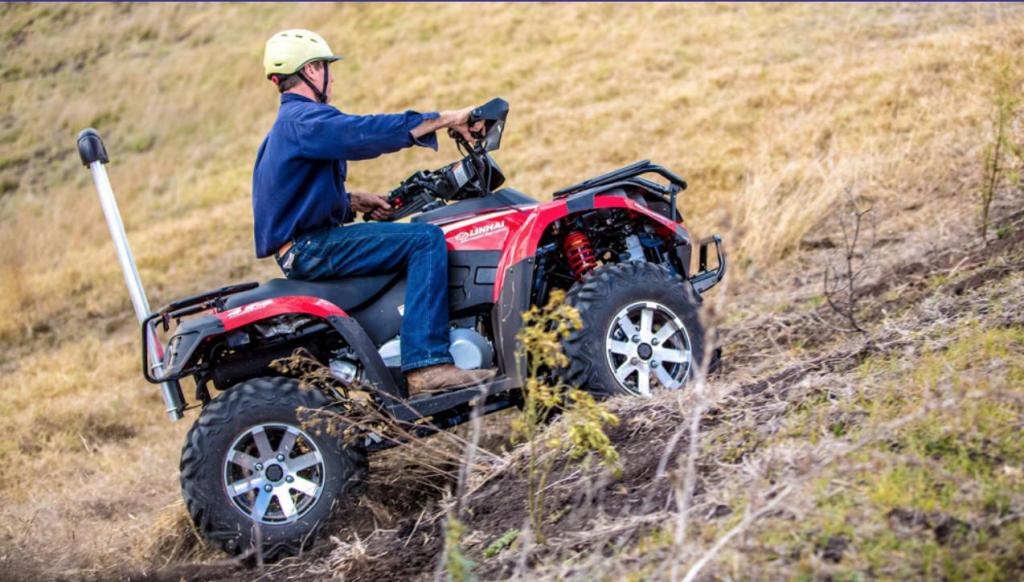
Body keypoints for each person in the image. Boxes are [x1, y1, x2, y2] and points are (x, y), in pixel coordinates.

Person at [252, 29, 496, 395]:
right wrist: (445, 119)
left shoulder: (290, 127)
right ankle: (427, 364)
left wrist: (353, 201)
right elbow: (365, 133)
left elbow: (293, 197)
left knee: (415, 236)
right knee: (426, 240)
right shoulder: (304, 121)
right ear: (312, 71)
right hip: (312, 247)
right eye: (326, 68)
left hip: (304, 245)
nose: (331, 77)